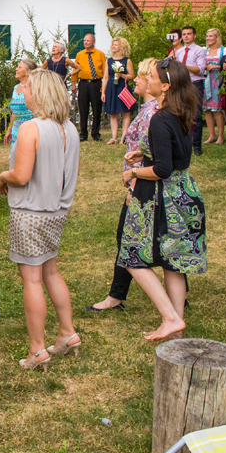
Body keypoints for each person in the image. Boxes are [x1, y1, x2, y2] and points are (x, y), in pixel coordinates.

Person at [0, 70, 81, 371]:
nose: (23, 90)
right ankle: (67, 331)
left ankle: (36, 349)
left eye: (27, 87)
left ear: (40, 93)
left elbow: (21, 175)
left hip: (31, 211)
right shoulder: (69, 128)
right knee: (51, 271)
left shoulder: (32, 128)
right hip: (57, 210)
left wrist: (3, 177)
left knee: (31, 279)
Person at [118, 60, 207, 341]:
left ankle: (169, 318)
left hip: (160, 197)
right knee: (173, 261)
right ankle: (175, 330)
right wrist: (143, 153)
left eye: (152, 77)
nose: (148, 79)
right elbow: (173, 154)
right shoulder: (182, 112)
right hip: (184, 190)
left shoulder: (158, 118)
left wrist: (132, 172)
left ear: (165, 85)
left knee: (132, 256)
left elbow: (162, 169)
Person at [87, 58, 159, 313]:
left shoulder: (152, 113)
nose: (135, 79)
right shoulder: (147, 107)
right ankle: (176, 294)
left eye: (140, 76)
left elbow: (153, 155)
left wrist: (134, 184)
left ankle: (116, 296)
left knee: (127, 238)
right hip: (140, 180)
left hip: (143, 183)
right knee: (156, 239)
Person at [67, 33, 105, 142]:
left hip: (96, 83)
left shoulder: (100, 54)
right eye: (84, 40)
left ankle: (96, 133)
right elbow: (75, 70)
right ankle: (83, 134)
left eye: (88, 40)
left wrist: (104, 84)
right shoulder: (79, 54)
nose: (86, 42)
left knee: (96, 108)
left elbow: (104, 69)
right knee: (83, 108)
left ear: (93, 42)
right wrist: (73, 83)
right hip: (83, 83)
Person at [102, 37, 136, 145]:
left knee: (125, 112)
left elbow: (132, 75)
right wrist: (103, 92)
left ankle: (123, 138)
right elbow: (105, 77)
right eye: (113, 44)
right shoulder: (109, 61)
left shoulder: (127, 60)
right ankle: (114, 137)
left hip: (122, 87)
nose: (113, 46)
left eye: (116, 44)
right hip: (112, 86)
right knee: (113, 113)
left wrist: (122, 75)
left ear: (122, 46)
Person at [178, 26, 206, 155]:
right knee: (182, 114)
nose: (186, 36)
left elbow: (200, 69)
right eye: (184, 34)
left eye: (189, 34)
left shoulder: (200, 50)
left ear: (194, 35)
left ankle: (197, 146)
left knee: (196, 115)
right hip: (182, 84)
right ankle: (184, 144)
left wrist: (184, 67)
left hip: (195, 83)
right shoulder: (179, 51)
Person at [4, 58, 36, 160]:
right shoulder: (15, 88)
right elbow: (14, 112)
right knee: (15, 159)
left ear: (27, 72)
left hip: (29, 128)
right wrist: (9, 129)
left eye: (19, 67)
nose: (16, 69)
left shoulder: (34, 88)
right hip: (16, 129)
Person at [201, 29, 226, 145]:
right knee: (207, 109)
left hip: (218, 81)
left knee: (217, 109)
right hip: (206, 81)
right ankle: (212, 134)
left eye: (211, 36)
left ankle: (221, 136)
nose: (208, 38)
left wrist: (216, 66)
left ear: (217, 37)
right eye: (207, 36)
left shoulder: (223, 50)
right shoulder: (204, 50)